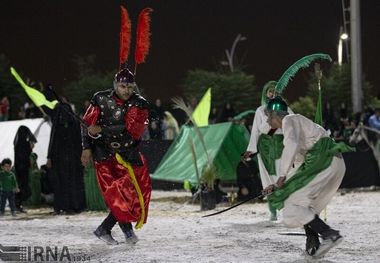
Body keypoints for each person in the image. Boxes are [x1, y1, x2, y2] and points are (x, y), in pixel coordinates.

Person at [263, 97, 353, 258]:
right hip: (336, 164)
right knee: (306, 206)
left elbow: (291, 144)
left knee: (291, 206)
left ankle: (329, 234)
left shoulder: (289, 120)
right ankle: (314, 243)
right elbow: (298, 168)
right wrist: (277, 185)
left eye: (268, 117)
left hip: (324, 162)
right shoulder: (300, 126)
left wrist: (281, 176)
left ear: (274, 115)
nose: (268, 122)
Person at [81, 67, 152, 245]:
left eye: (130, 86)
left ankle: (105, 229)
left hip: (128, 153)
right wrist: (86, 147)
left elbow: (132, 131)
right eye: (122, 86)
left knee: (137, 194)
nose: (126, 90)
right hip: (104, 154)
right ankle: (125, 232)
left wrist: (102, 129)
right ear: (115, 85)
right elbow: (87, 125)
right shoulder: (100, 98)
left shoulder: (140, 103)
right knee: (119, 194)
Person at [243, 81, 290, 221]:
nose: (272, 94)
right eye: (270, 91)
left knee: (283, 178)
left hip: (281, 147)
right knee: (268, 180)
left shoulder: (285, 108)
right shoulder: (260, 110)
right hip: (265, 149)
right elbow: (256, 131)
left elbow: (293, 124)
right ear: (265, 93)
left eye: (275, 91)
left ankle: (287, 210)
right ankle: (273, 211)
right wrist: (251, 150)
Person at [47, 99, 86, 214]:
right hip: (62, 159)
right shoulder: (62, 123)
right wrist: (50, 157)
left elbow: (78, 142)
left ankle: (72, 205)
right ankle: (68, 205)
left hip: (69, 159)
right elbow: (53, 141)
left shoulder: (73, 123)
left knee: (69, 181)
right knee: (64, 182)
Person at [13, 125, 36, 212]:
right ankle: (17, 204)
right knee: (24, 188)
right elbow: (25, 155)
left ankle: (18, 204)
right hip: (22, 169)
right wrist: (30, 147)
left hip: (21, 169)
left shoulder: (19, 144)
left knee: (22, 187)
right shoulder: (23, 145)